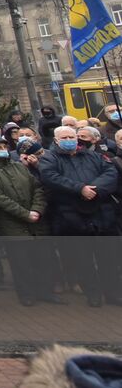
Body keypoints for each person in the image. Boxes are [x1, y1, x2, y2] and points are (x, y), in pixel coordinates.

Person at [38, 125, 121, 307]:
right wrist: (80, 189)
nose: (70, 140)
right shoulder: (50, 158)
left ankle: (113, 293)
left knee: (108, 257)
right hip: (71, 214)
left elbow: (110, 173)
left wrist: (95, 189)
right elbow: (50, 177)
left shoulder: (93, 156)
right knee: (82, 259)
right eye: (65, 138)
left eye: (72, 137)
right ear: (56, 140)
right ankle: (93, 294)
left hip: (100, 212)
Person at [0, 134, 58, 306]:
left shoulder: (18, 166)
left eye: (4, 147)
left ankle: (45, 291)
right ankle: (26, 294)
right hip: (12, 223)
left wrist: (36, 209)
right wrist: (24, 214)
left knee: (42, 259)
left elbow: (36, 187)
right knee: (21, 263)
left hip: (35, 220)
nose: (2, 150)